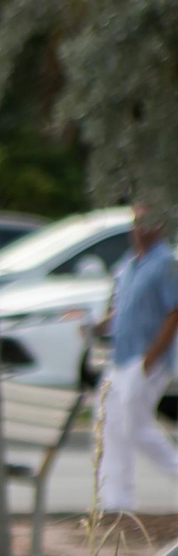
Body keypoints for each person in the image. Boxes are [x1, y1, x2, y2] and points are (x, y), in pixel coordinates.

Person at [99, 199, 178, 515]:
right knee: (111, 425)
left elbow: (173, 312)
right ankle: (113, 501)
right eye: (136, 221)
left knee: (134, 426)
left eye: (145, 222)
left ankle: (118, 500)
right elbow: (123, 309)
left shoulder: (166, 264)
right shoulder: (130, 263)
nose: (138, 229)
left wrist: (150, 358)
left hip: (145, 359)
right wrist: (99, 325)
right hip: (121, 355)